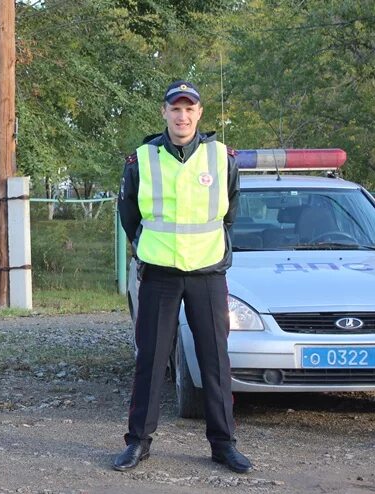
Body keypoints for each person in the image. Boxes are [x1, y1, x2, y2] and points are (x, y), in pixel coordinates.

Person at [113, 80, 252, 474]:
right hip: (159, 273)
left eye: (190, 108)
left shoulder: (222, 158)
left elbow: (230, 213)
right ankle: (138, 442)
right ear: (164, 112)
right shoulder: (141, 159)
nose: (182, 115)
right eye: (176, 108)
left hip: (207, 273)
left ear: (199, 114)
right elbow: (129, 216)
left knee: (214, 362)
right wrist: (148, 247)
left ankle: (223, 445)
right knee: (151, 361)